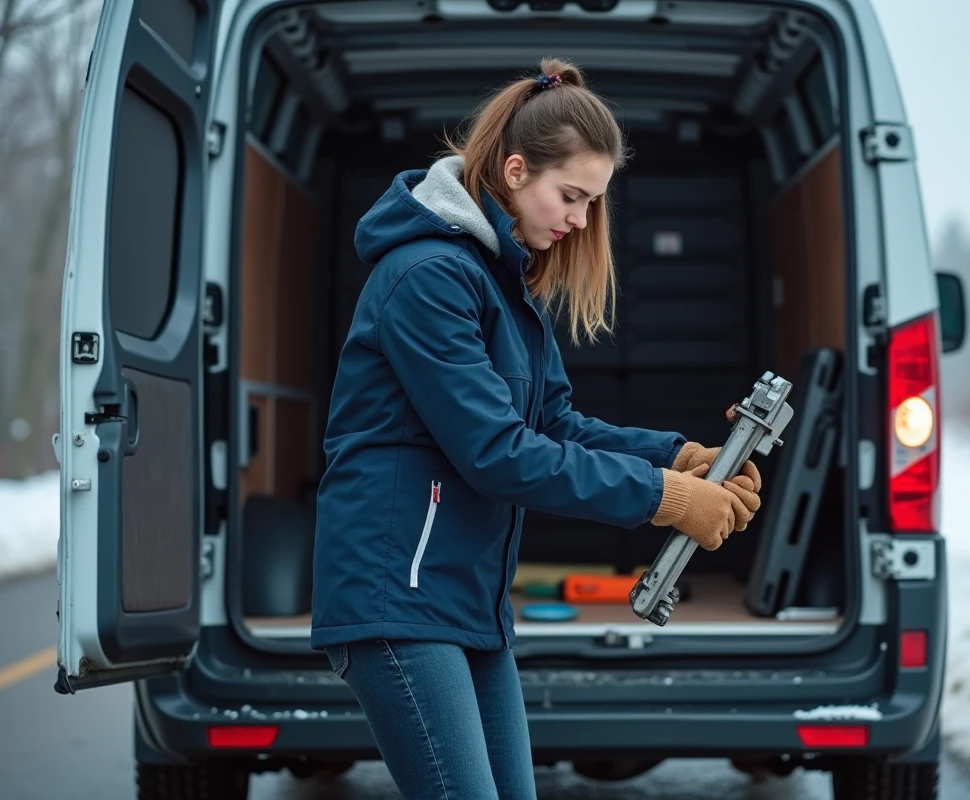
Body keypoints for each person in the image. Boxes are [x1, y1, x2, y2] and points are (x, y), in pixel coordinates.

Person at [311, 58, 763, 800]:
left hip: (467, 601)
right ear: (516, 170)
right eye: (572, 197)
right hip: (398, 597)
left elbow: (554, 423)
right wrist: (665, 498)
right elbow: (497, 453)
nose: (582, 221)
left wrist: (679, 457)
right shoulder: (427, 278)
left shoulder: (502, 283)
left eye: (593, 203)